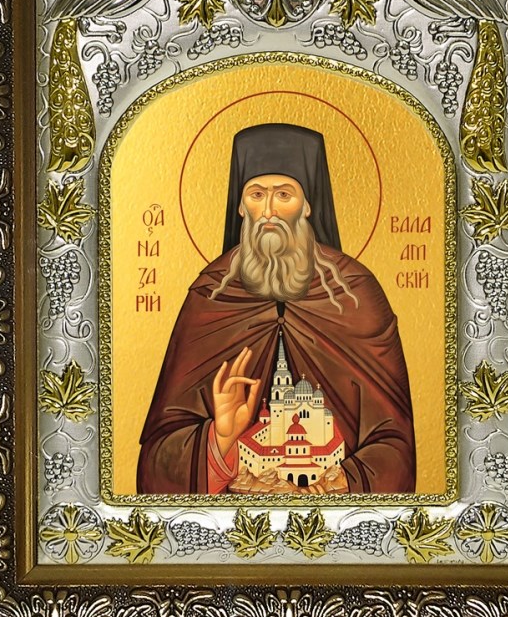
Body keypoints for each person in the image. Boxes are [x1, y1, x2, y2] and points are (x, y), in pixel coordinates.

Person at [136, 123, 415, 495]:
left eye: (284, 194)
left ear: (308, 204)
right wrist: (220, 439)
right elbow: (158, 458)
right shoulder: (212, 294)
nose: (268, 211)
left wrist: (343, 480)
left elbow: (395, 442)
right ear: (240, 206)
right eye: (256, 194)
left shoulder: (354, 293)